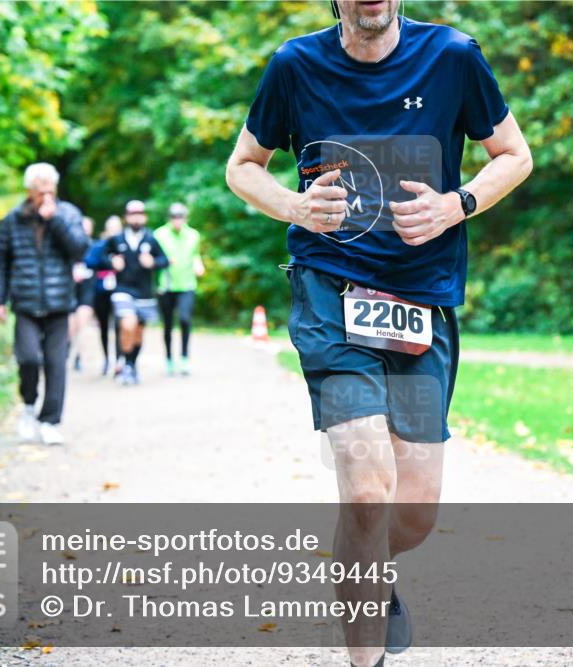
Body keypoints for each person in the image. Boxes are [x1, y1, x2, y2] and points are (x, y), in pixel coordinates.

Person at [225, 2, 532, 665]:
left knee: (413, 509)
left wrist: (458, 204)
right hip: (328, 294)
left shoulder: (452, 56)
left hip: (422, 300)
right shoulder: (295, 65)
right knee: (367, 488)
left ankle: (365, 561)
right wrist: (296, 207)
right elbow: (243, 165)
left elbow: (514, 154)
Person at [0, 162, 90, 445]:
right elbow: (0, 261)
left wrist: (55, 220)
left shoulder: (68, 214)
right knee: (28, 359)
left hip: (60, 303)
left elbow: (80, 249)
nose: (46, 197)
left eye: (50, 191)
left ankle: (50, 422)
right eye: (40, 191)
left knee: (56, 363)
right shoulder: (13, 220)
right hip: (25, 303)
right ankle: (29, 405)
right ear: (29, 191)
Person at [97, 200, 168, 385]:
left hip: (144, 293)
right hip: (122, 290)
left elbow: (164, 260)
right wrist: (112, 262)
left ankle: (131, 364)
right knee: (128, 324)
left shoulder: (151, 239)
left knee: (138, 332)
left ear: (144, 217)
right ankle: (126, 364)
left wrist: (152, 262)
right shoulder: (117, 239)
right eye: (132, 214)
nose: (136, 217)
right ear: (127, 217)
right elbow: (99, 258)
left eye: (139, 214)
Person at [154, 202, 205, 375]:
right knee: (168, 324)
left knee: (185, 319)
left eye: (181, 217)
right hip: (166, 285)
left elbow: (195, 254)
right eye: (174, 217)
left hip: (187, 284)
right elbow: (154, 258)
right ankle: (169, 359)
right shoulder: (159, 234)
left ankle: (184, 358)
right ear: (169, 218)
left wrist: (198, 264)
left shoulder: (193, 235)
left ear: (185, 218)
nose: (178, 220)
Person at [86, 215, 124, 375]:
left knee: (119, 325)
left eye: (117, 228)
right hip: (101, 291)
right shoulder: (99, 246)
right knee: (103, 326)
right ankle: (107, 358)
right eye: (111, 229)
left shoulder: (123, 246)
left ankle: (119, 360)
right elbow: (89, 262)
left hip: (120, 290)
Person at [69, 216, 97, 372]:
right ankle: (67, 353)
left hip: (87, 291)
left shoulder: (94, 248)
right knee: (70, 327)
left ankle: (78, 357)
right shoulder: (69, 246)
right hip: (71, 291)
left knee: (82, 322)